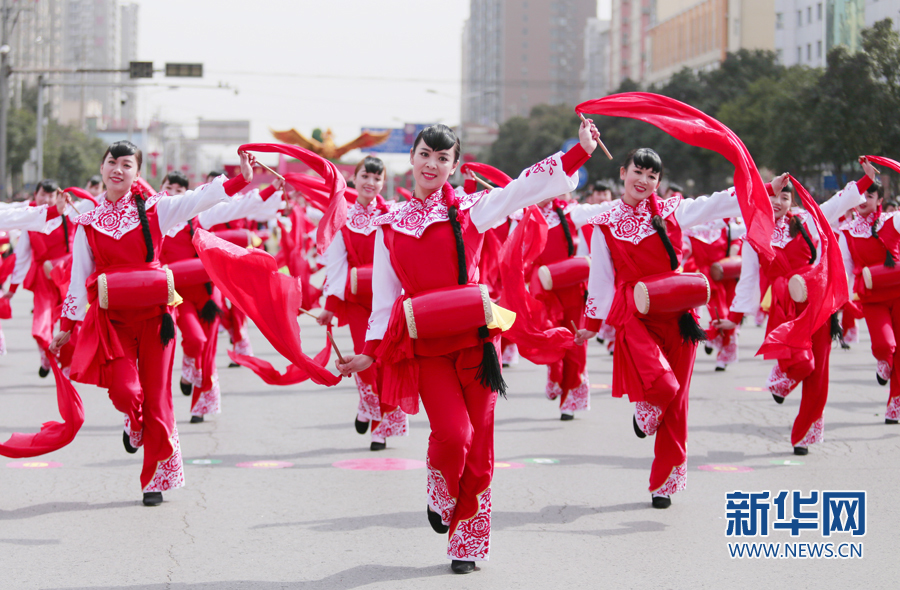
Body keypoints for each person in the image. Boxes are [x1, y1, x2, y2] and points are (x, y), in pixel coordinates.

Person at [335, 121, 599, 574]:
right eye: (424, 155)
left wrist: (580, 152)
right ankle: (440, 486)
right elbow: (383, 300)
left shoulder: (471, 210)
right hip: (428, 346)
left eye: (443, 158)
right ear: (412, 159)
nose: (431, 164)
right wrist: (371, 353)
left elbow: (521, 189)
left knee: (481, 449)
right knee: (454, 435)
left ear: (455, 166)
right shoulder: (389, 224)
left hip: (477, 343)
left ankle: (467, 542)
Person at [49, 140, 253, 506]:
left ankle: (154, 479)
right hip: (114, 321)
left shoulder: (157, 210)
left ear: (137, 174)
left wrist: (240, 179)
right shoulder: (87, 222)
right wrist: (66, 323)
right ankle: (134, 420)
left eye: (127, 165)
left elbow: (200, 198)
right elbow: (81, 275)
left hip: (156, 319)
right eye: (113, 162)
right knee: (127, 392)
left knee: (158, 397)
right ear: (102, 167)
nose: (118, 170)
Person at [575, 147, 745, 509]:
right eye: (639, 172)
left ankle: (664, 482)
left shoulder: (674, 211)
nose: (645, 181)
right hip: (634, 314)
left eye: (652, 176)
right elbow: (601, 276)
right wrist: (590, 323)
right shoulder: (604, 222)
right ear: (623, 172)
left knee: (678, 400)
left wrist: (762, 188)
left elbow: (717, 204)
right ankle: (646, 410)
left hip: (679, 313)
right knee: (663, 385)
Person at [722, 162, 876, 455]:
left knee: (819, 372)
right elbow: (748, 280)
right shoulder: (754, 237)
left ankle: (804, 433)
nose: (778, 203)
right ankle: (783, 377)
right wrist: (734, 318)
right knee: (804, 363)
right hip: (783, 307)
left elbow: (836, 203)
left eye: (784, 197)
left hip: (817, 303)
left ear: (792, 201)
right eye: (773, 196)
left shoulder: (806, 222)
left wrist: (865, 182)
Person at [160, 170, 283, 423]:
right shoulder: (155, 219)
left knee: (208, 347)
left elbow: (239, 207)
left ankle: (200, 405)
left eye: (180, 190)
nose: (173, 193)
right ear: (161, 189)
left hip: (206, 293)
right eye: (169, 187)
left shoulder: (199, 215)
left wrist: (271, 188)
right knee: (194, 340)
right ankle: (188, 368)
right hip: (175, 294)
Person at [318, 156, 408, 451]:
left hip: (389, 303)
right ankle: (368, 406)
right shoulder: (342, 218)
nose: (371, 183)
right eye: (365, 177)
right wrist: (329, 307)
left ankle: (379, 427)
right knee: (366, 364)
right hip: (358, 304)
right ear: (354, 179)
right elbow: (337, 266)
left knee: (387, 362)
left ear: (383, 183)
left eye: (377, 178)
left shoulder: (393, 214)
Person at [838, 177, 900, 423]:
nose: (864, 201)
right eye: (860, 196)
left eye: (870, 196)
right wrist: (845, 298)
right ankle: (882, 361)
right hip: (872, 297)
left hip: (898, 292)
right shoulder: (847, 231)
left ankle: (895, 404)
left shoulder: (892, 221)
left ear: (880, 201)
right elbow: (845, 267)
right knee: (885, 346)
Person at [3, 180, 80, 376]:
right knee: (41, 323)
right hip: (43, 278)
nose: (45, 199)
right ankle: (48, 354)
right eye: (42, 195)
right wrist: (12, 288)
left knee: (71, 321)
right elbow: (22, 254)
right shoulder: (30, 217)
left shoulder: (71, 213)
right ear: (35, 194)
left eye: (50, 195)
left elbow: (11, 215)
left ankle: (67, 364)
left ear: (57, 196)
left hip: (67, 276)